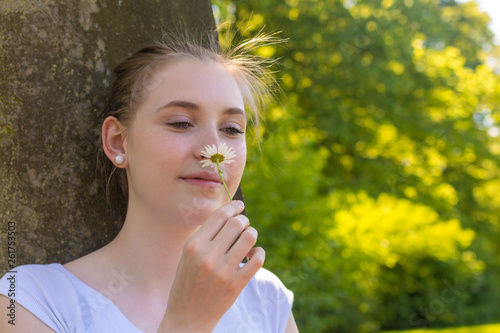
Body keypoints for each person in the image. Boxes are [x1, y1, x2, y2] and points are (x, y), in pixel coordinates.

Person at [0, 31, 299, 333]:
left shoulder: (266, 300)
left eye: (232, 129)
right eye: (181, 123)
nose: (213, 149)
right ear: (118, 142)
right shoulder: (32, 301)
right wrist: (187, 323)